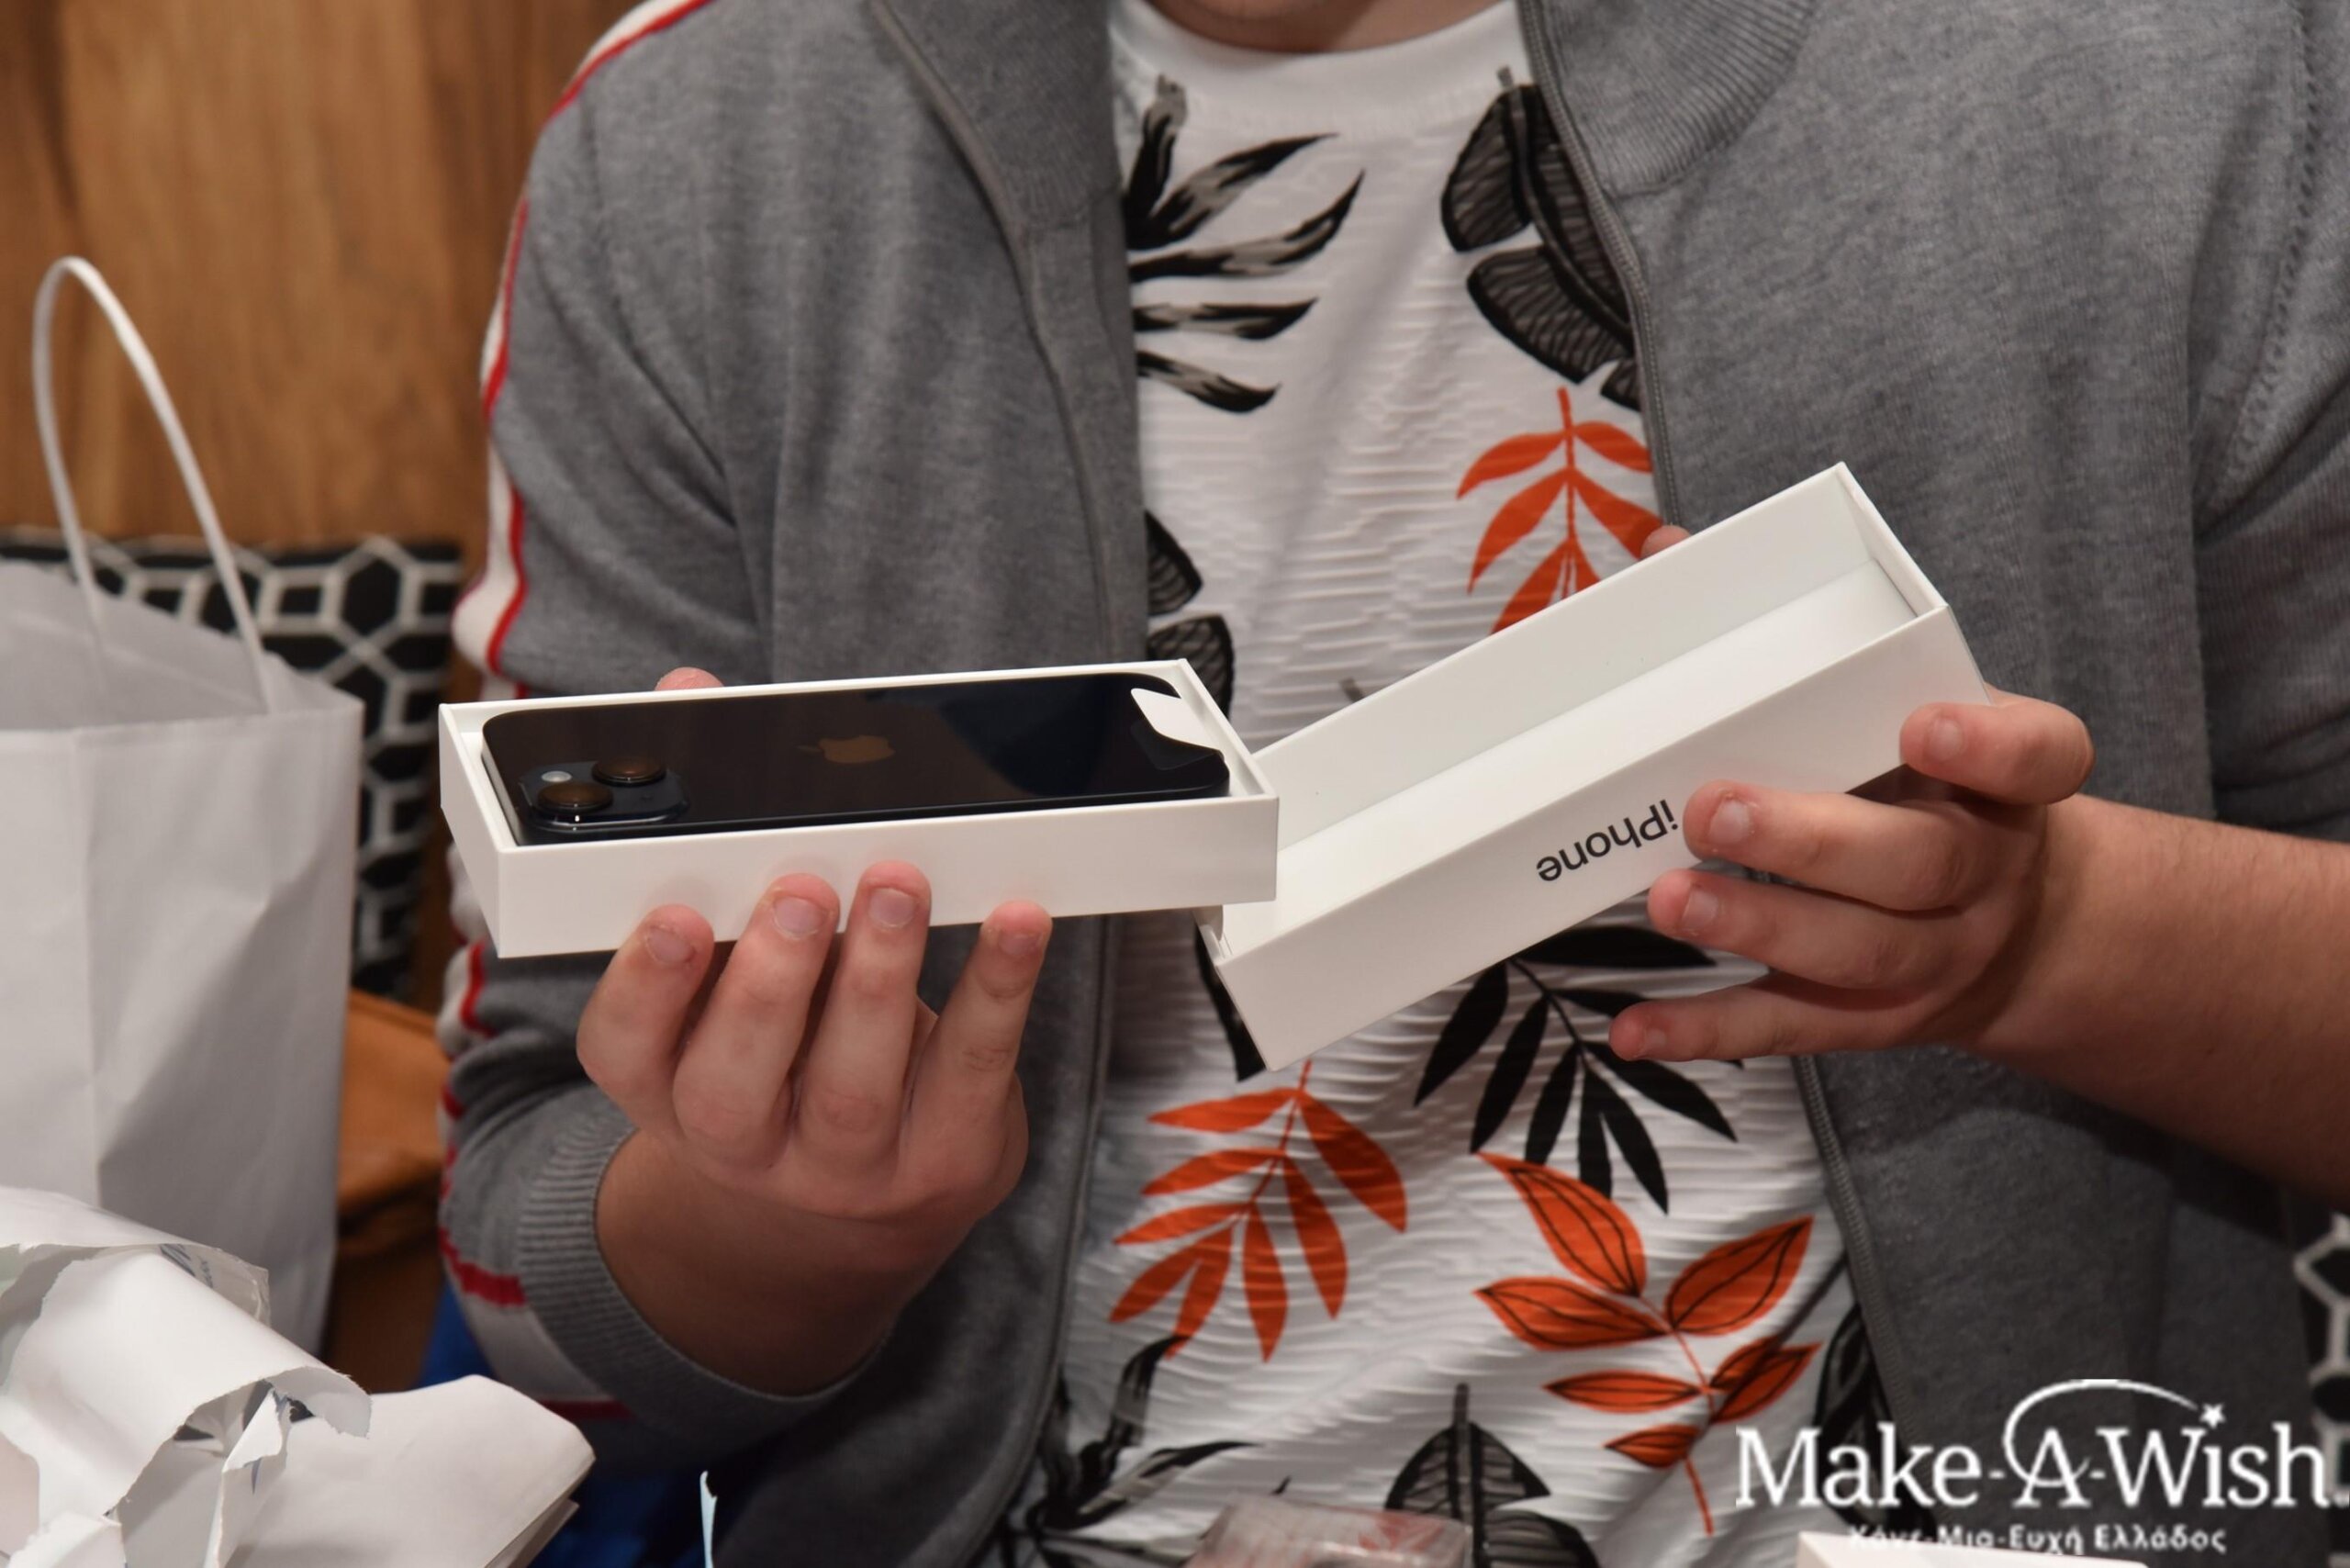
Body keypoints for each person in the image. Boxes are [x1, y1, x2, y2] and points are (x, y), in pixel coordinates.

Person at [437, 0, 2350, 1562]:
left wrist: (2050, 936)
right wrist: (792, 1228)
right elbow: (529, 1285)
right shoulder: (702, 152)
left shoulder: (2165, 68)